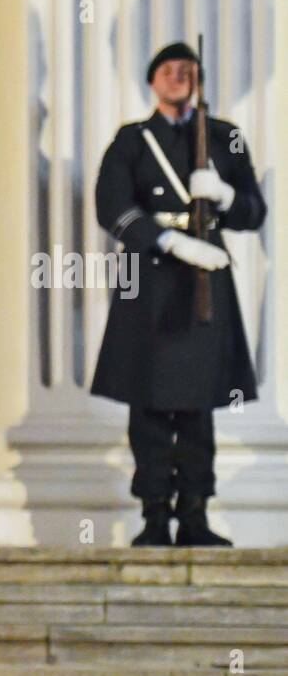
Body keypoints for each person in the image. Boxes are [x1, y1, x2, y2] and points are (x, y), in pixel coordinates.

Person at [91, 42, 266, 546]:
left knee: (199, 405)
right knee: (148, 407)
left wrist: (226, 195)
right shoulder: (132, 140)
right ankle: (153, 518)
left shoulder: (225, 138)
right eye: (169, 70)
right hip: (150, 283)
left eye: (187, 71)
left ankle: (194, 516)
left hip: (205, 284)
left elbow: (254, 211)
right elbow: (112, 207)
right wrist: (168, 240)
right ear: (152, 81)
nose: (178, 78)